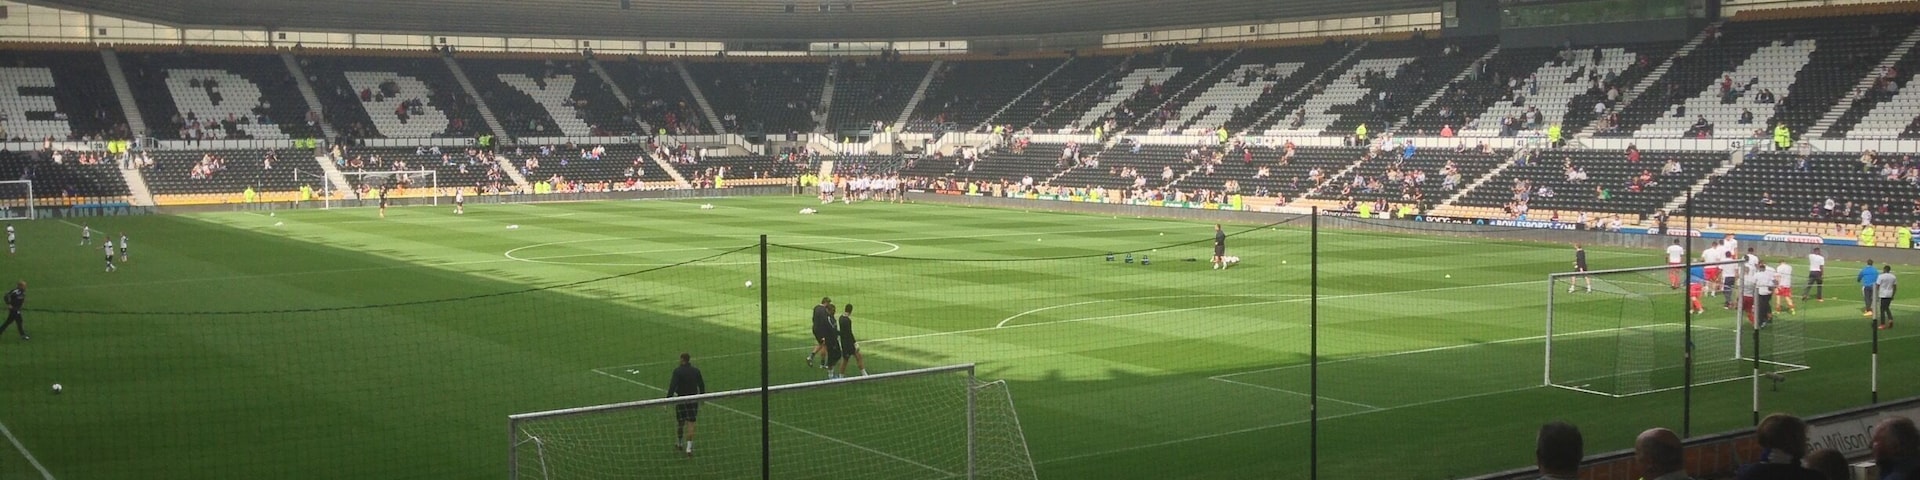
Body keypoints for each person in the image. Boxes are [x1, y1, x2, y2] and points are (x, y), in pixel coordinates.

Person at [1735, 413, 1823, 480]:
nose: (1806, 441)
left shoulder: (1747, 473)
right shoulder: (1812, 476)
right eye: (1804, 438)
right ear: (1798, 442)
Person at [667, 352, 706, 458]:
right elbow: (701, 384)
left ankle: (679, 443)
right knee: (691, 424)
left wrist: (668, 399)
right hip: (693, 400)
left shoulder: (677, 371)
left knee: (680, 423)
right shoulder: (696, 371)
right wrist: (702, 396)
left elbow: (673, 386)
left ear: (682, 359)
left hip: (681, 400)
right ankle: (689, 448)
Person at [834, 304, 867, 378]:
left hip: (844, 342)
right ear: (851, 311)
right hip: (848, 343)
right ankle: (863, 374)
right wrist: (855, 343)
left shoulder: (841, 318)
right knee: (853, 358)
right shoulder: (847, 320)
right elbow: (849, 333)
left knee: (855, 357)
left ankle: (863, 374)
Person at [807, 297, 836, 368]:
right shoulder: (824, 310)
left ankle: (811, 357)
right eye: (828, 303)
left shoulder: (816, 307)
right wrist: (823, 334)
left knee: (821, 344)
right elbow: (824, 322)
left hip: (815, 328)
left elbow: (813, 318)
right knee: (824, 345)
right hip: (821, 330)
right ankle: (822, 363)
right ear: (826, 302)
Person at [1752, 259, 1775, 328]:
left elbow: (1753, 283)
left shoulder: (1757, 274)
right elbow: (1772, 283)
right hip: (1768, 293)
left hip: (1760, 293)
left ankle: (1761, 321)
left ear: (1759, 268)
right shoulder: (1768, 275)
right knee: (1767, 305)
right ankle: (1769, 317)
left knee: (1761, 307)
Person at [1878, 265, 1898, 330]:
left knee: (1882, 309)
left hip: (1883, 294)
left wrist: (1875, 293)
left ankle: (1882, 324)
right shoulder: (1893, 277)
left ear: (1884, 269)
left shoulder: (1881, 276)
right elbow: (1895, 287)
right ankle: (1890, 319)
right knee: (1886, 307)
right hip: (1889, 294)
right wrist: (1893, 295)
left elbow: (1877, 285)